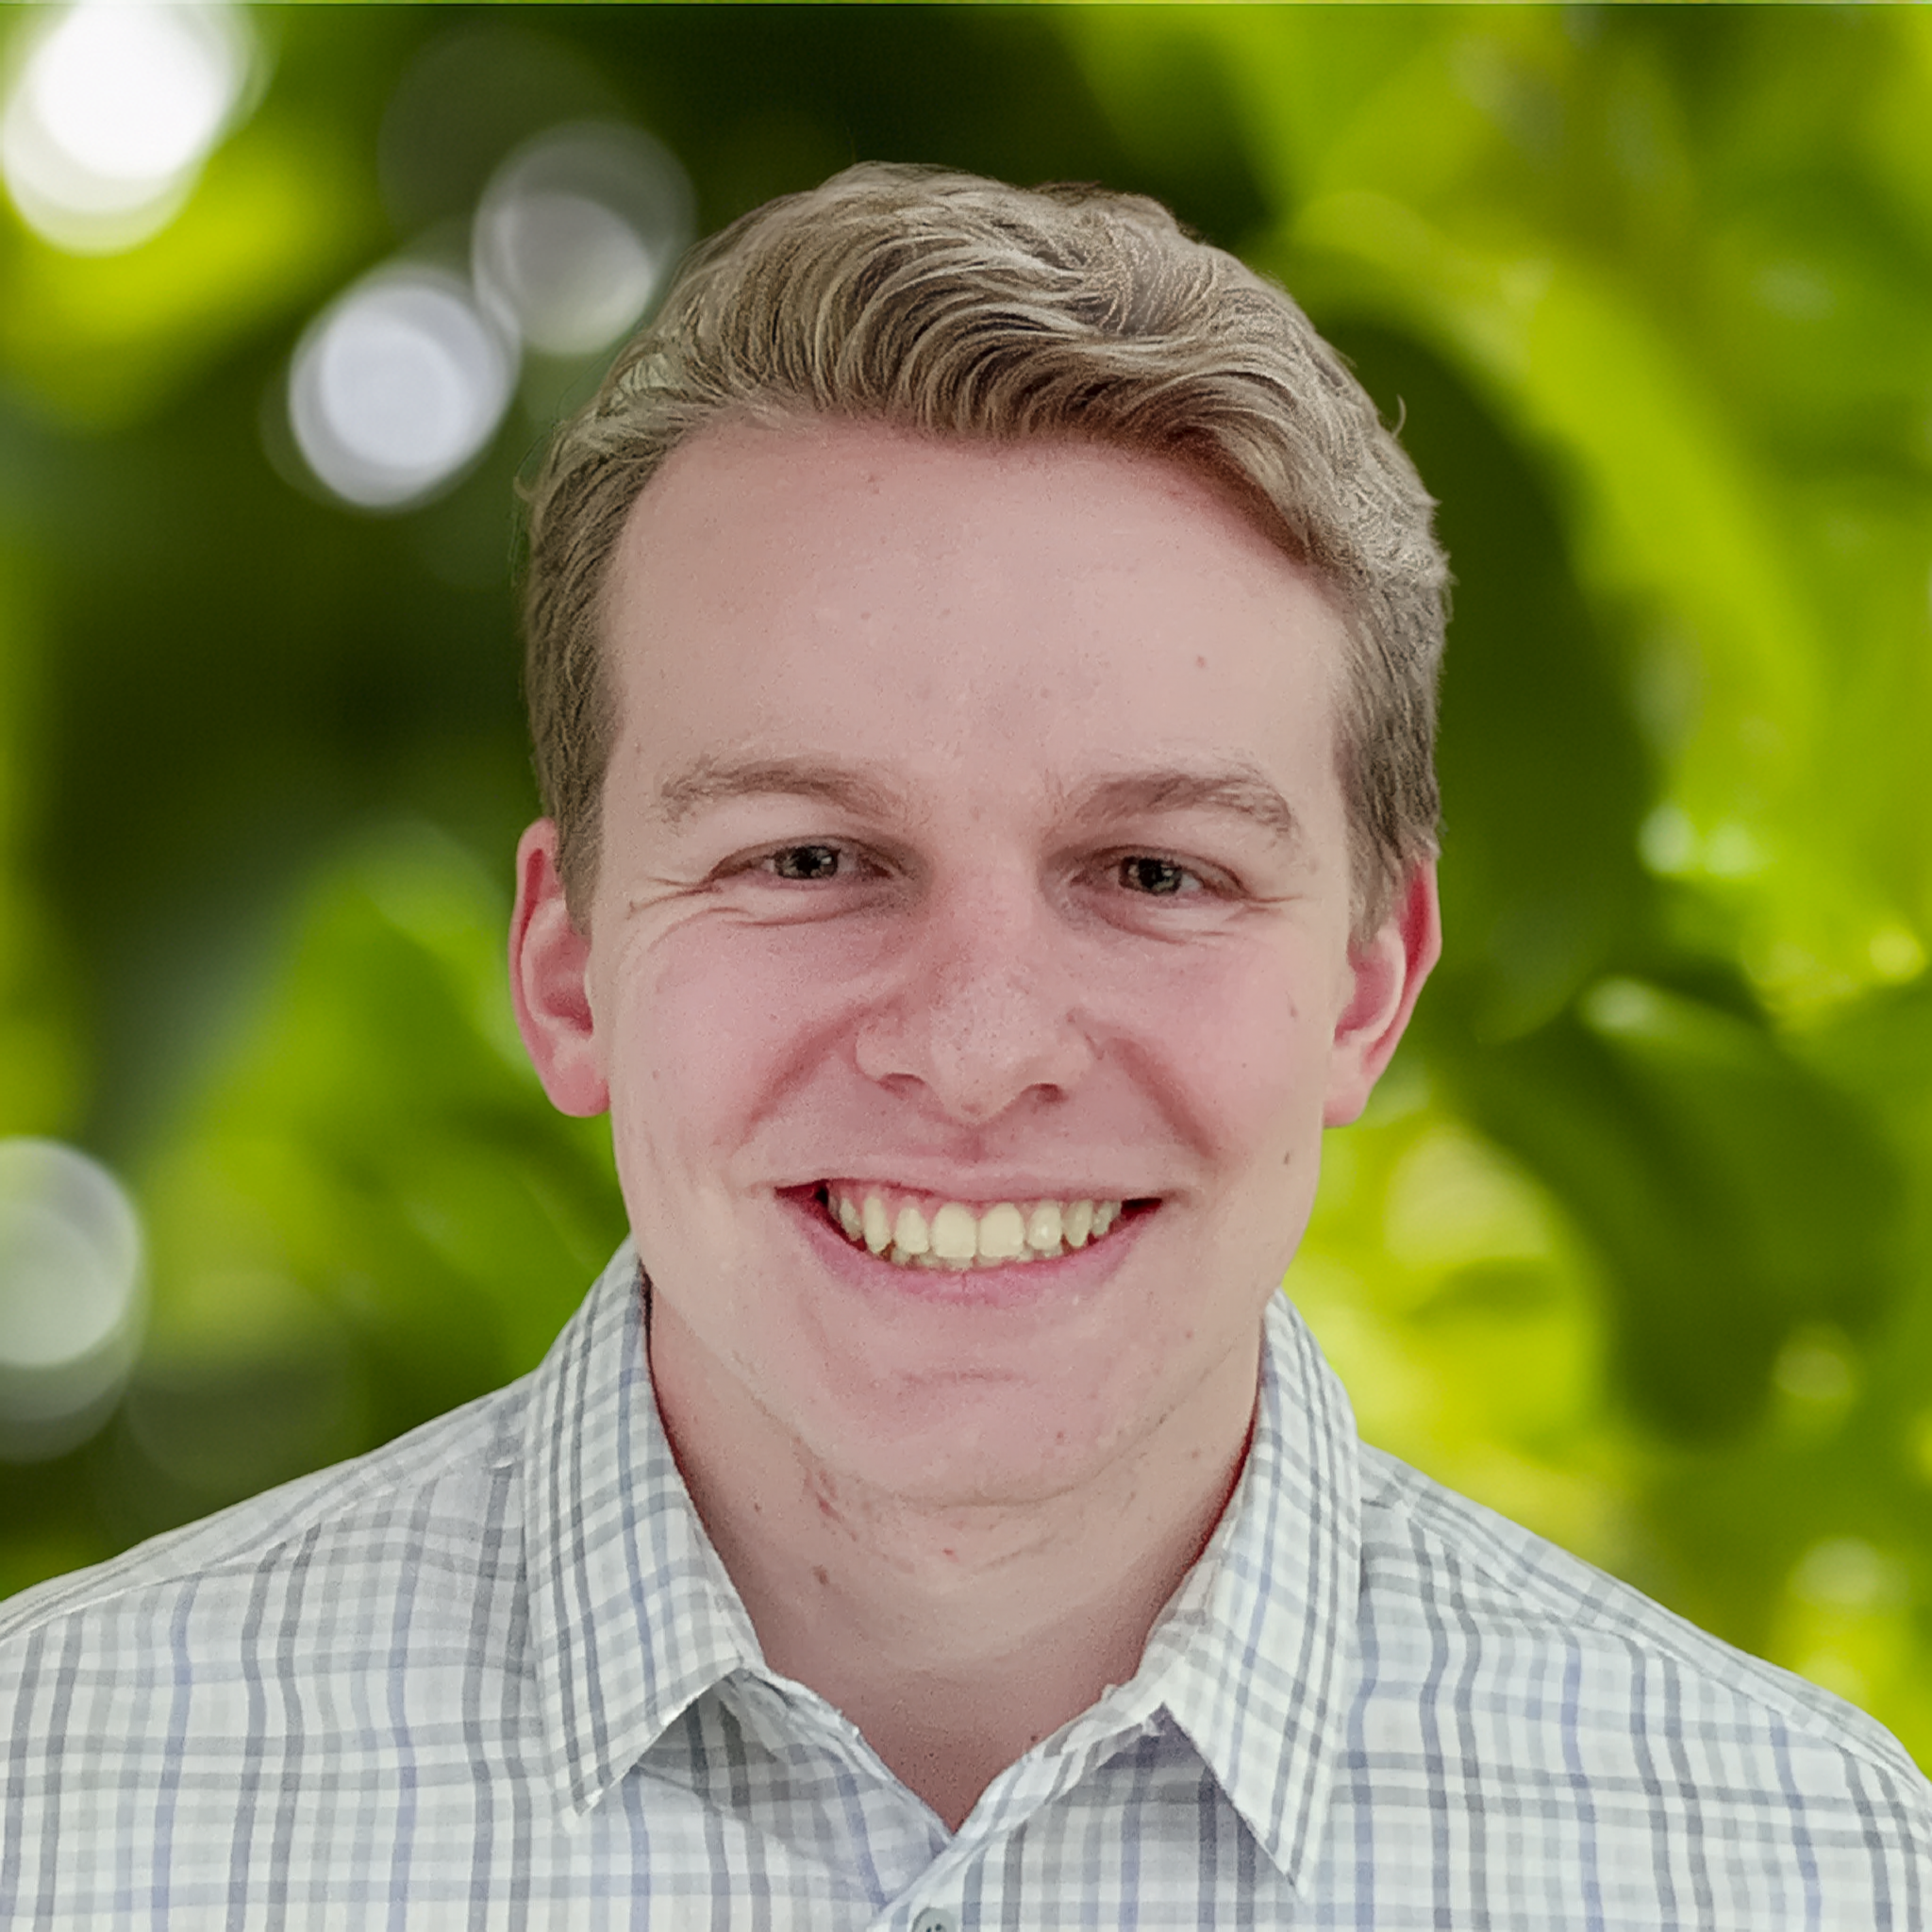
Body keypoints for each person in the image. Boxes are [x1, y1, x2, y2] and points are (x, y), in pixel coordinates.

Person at [3, 162, 1927, 1929]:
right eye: (812, 855)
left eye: (1154, 870)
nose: (981, 1046)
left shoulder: (1797, 1860)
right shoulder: (52, 1803)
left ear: (1366, 982)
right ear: (571, 966)